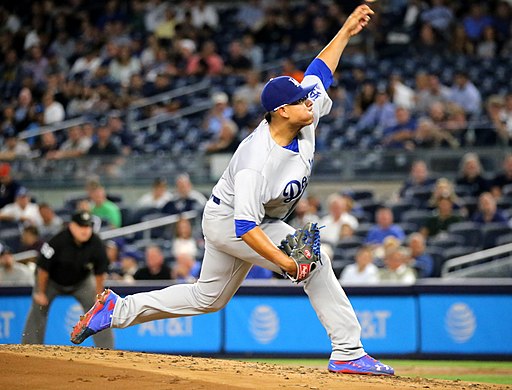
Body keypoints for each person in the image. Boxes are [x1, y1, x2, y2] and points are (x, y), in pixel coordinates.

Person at [71, 5, 394, 376]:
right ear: (280, 112)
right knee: (314, 265)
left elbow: (319, 70)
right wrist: (289, 264)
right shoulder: (257, 161)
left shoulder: (303, 114)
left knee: (207, 298)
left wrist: (346, 31)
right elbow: (245, 228)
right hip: (232, 220)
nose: (309, 100)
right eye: (299, 100)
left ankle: (115, 309)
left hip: (255, 218)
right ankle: (348, 351)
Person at [22, 210, 113, 348]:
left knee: (99, 309)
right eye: (81, 226)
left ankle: (107, 350)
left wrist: (99, 295)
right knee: (38, 307)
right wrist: (40, 292)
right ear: (72, 226)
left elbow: (100, 272)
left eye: (88, 227)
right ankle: (29, 347)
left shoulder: (96, 243)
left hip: (81, 282)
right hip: (51, 281)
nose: (85, 230)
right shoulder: (58, 240)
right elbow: (43, 269)